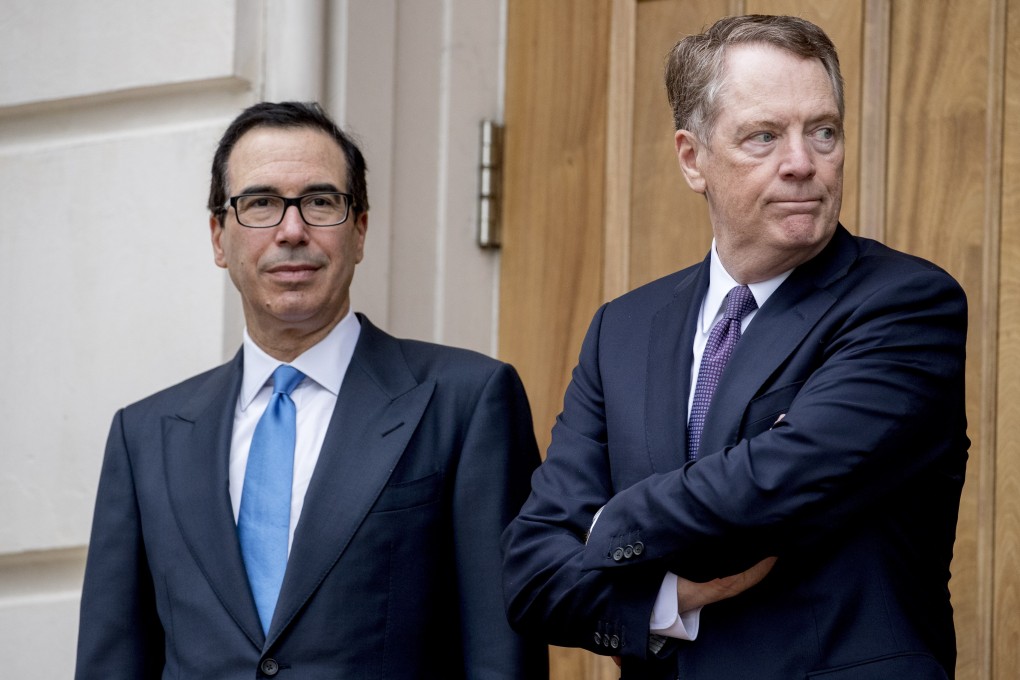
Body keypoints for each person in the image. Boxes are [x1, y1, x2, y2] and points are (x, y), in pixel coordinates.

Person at [502, 14, 968, 679]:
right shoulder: (624, 330)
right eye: (764, 136)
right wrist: (666, 598)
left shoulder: (905, 304)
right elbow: (530, 573)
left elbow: (778, 481)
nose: (804, 162)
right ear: (694, 159)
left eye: (824, 132)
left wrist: (606, 522)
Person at [76, 101, 548, 680]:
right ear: (219, 238)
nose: (292, 231)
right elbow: (112, 661)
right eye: (261, 204)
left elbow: (502, 656)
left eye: (321, 202)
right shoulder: (144, 435)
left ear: (360, 232)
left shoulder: (467, 402)